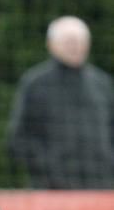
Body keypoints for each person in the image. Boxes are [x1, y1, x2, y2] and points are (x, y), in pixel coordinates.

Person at [8, 16, 114, 189]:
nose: (76, 45)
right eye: (69, 41)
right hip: (51, 190)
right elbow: (19, 140)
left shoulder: (102, 83)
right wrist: (50, 168)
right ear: (51, 44)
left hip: (101, 187)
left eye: (81, 40)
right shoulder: (35, 83)